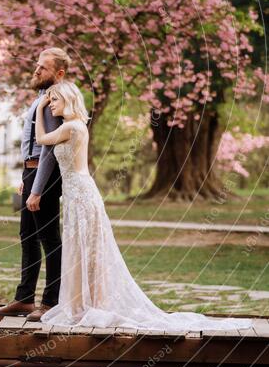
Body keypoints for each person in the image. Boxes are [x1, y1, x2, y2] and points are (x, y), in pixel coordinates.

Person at [34, 80, 254, 332]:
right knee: (81, 248)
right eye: (49, 101)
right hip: (75, 195)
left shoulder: (71, 127)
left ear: (68, 100)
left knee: (86, 247)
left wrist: (39, 109)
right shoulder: (75, 125)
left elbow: (40, 138)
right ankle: (82, 303)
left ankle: (84, 305)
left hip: (82, 195)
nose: (50, 104)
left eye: (54, 100)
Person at [0, 48, 70, 320]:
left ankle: (51, 302)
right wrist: (24, 181)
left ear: (58, 74)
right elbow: (31, 148)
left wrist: (36, 189)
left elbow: (49, 150)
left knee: (49, 238)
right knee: (26, 234)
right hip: (30, 173)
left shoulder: (54, 99)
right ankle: (23, 299)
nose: (36, 70)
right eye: (37, 65)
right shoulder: (40, 97)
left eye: (43, 68)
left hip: (45, 176)